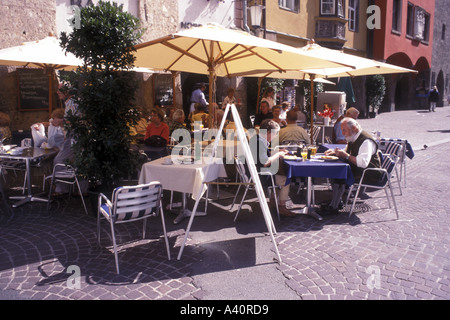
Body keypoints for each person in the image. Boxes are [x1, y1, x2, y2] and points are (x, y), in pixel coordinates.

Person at [319, 118, 382, 215]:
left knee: (339, 173)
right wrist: (335, 152)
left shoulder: (366, 141)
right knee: (336, 171)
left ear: (354, 128)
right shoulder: (353, 137)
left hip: (370, 174)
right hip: (360, 170)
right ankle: (336, 202)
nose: (342, 133)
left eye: (344, 130)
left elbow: (363, 163)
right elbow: (347, 150)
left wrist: (346, 156)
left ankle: (334, 206)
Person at [249, 119, 293, 216]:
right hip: (260, 176)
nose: (276, 136)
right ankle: (282, 207)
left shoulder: (257, 139)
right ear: (268, 132)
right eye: (275, 133)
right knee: (285, 179)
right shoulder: (259, 142)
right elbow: (265, 162)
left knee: (279, 173)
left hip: (255, 173)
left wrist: (276, 152)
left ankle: (273, 201)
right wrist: (278, 155)